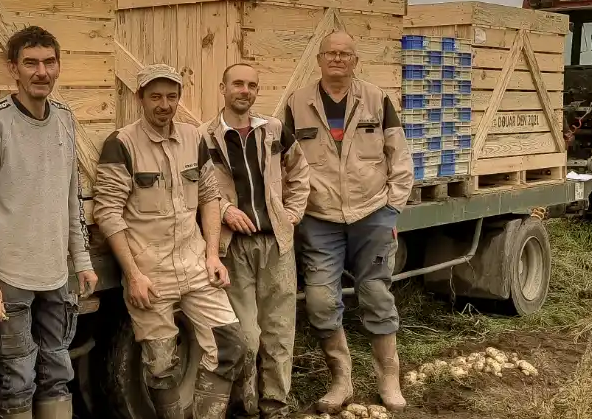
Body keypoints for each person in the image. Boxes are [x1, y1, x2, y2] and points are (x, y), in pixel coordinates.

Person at [92, 64, 251, 419]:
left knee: (231, 345)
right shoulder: (122, 144)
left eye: (171, 97)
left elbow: (210, 196)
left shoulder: (193, 138)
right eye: (156, 97)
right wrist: (133, 275)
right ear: (140, 98)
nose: (164, 105)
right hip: (151, 275)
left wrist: (213, 256)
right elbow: (108, 212)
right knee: (161, 365)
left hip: (196, 266)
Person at [0, 26, 99, 419]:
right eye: (31, 63)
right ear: (13, 69)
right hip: (10, 276)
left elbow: (72, 196)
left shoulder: (65, 118)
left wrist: (82, 260)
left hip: (56, 273)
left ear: (58, 67)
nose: (42, 72)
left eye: (49, 62)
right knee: (18, 378)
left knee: (58, 371)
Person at [282, 30, 412, 412]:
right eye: (331, 53)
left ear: (355, 61)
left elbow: (399, 155)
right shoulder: (297, 103)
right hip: (319, 218)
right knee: (320, 301)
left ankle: (389, 378)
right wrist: (294, 208)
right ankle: (341, 380)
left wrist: (392, 208)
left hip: (371, 213)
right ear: (319, 60)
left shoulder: (376, 98)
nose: (337, 59)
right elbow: (282, 161)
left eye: (345, 54)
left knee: (376, 294)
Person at [201, 63, 310, 419]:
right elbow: (196, 187)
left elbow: (299, 169)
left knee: (279, 332)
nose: (244, 91)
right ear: (223, 88)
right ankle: (245, 406)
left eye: (251, 85)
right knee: (245, 336)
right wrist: (225, 209)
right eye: (237, 84)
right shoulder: (205, 137)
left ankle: (275, 407)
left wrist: (292, 212)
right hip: (233, 248)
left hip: (276, 244)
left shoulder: (273, 130)